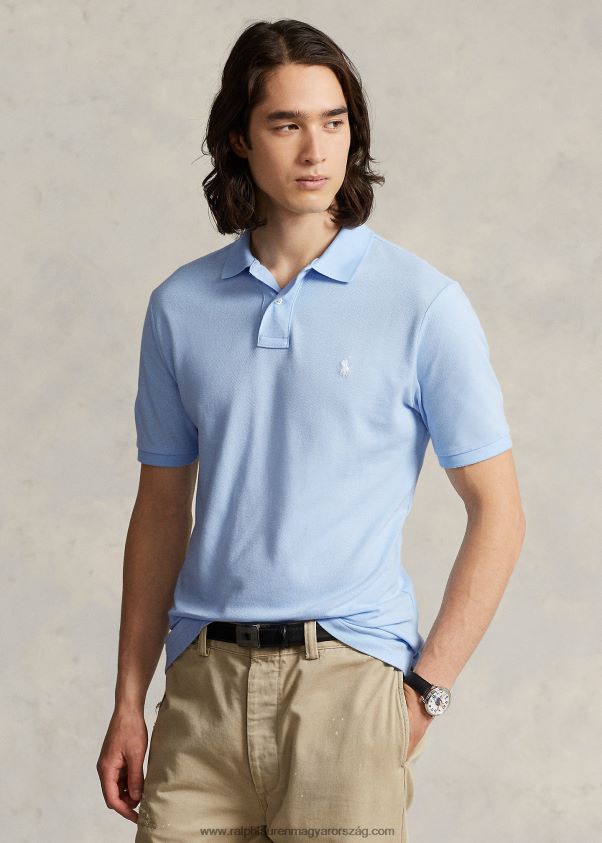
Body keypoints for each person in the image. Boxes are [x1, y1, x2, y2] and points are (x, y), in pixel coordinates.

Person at [96, 18, 526, 843]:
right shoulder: (180, 307)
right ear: (240, 138)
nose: (315, 149)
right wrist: (128, 700)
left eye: (334, 122)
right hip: (202, 691)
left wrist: (423, 692)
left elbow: (499, 513)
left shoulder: (422, 304)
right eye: (286, 124)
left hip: (348, 687)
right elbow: (160, 510)